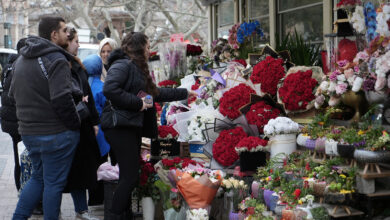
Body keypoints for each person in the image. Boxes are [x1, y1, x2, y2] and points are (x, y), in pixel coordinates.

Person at [103, 32, 197, 219]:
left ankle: (125, 214)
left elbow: (155, 93)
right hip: (119, 127)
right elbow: (109, 89)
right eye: (146, 46)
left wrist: (185, 93)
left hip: (130, 127)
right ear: (139, 48)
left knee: (129, 176)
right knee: (130, 177)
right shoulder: (123, 65)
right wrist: (138, 103)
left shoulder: (137, 67)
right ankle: (113, 215)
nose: (148, 50)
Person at [10, 16, 80, 219]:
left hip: (30, 134)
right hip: (55, 134)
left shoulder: (22, 59)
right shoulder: (56, 59)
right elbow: (61, 99)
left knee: (38, 178)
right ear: (53, 34)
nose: (68, 33)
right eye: (65, 30)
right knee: (53, 184)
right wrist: (75, 125)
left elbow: (12, 94)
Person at [64, 27, 101, 220]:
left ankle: (82, 209)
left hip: (84, 123)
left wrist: (94, 122)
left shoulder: (78, 66)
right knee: (66, 172)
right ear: (66, 41)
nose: (78, 45)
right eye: (75, 41)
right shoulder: (62, 65)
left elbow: (89, 97)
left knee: (82, 169)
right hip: (70, 125)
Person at [0, 38, 26, 192]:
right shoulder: (18, 68)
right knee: (24, 158)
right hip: (18, 120)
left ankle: (21, 189)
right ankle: (23, 189)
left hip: (10, 120)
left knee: (19, 157)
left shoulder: (8, 67)